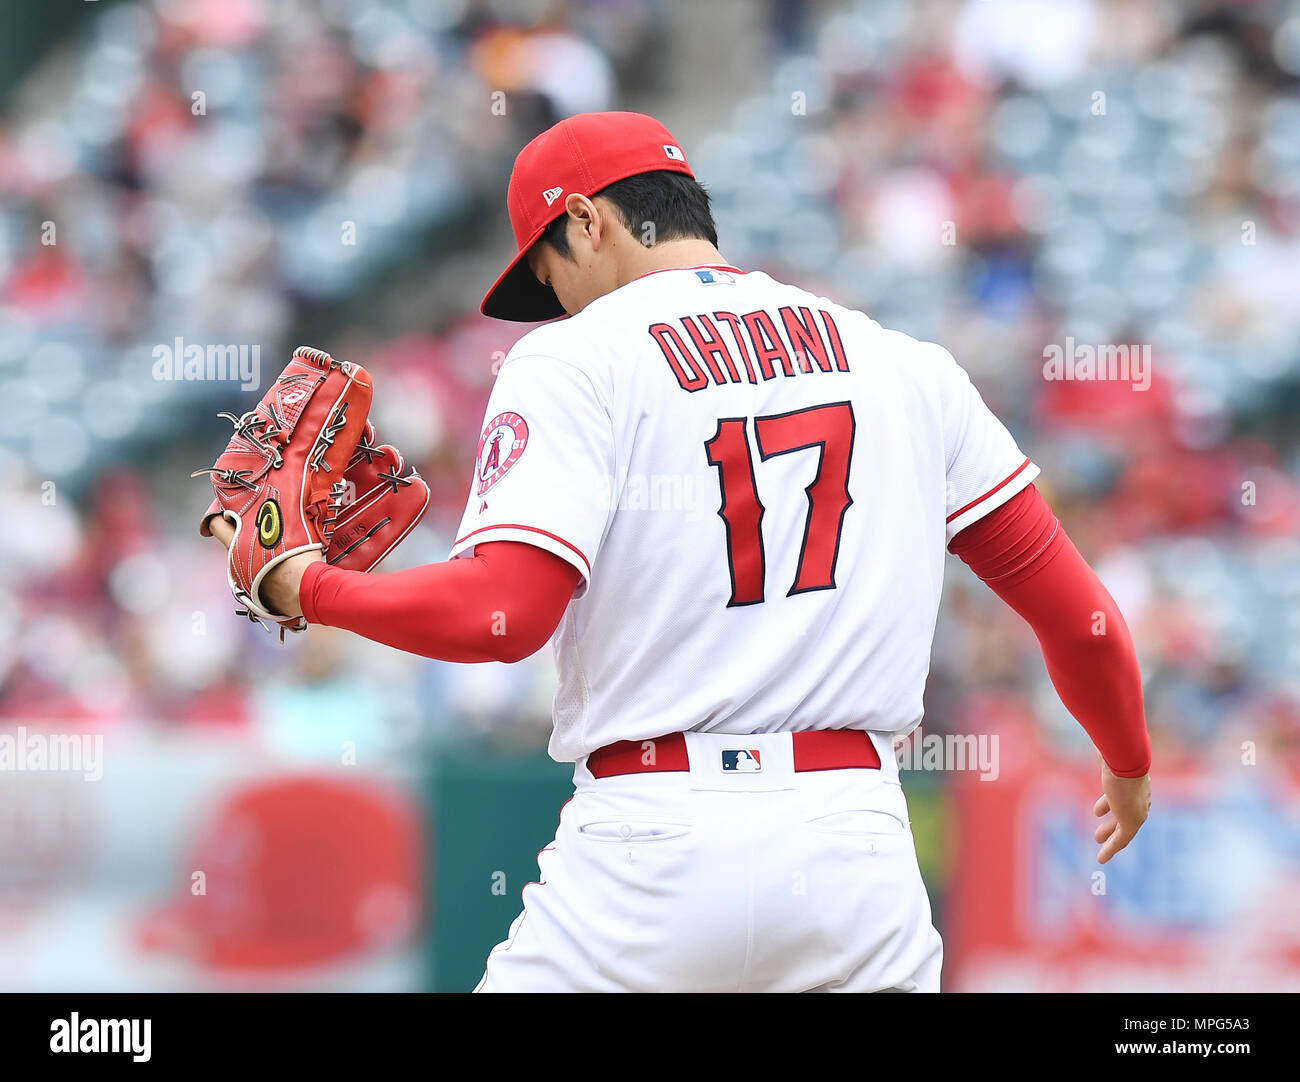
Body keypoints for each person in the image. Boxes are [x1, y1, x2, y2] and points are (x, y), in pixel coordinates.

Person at [208, 111, 1151, 992]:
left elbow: (502, 618)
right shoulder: (906, 364)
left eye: (546, 272)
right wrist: (1128, 760)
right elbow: (1084, 619)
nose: (553, 302)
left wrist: (310, 588)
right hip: (854, 850)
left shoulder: (579, 358)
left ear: (585, 223)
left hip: (651, 846)